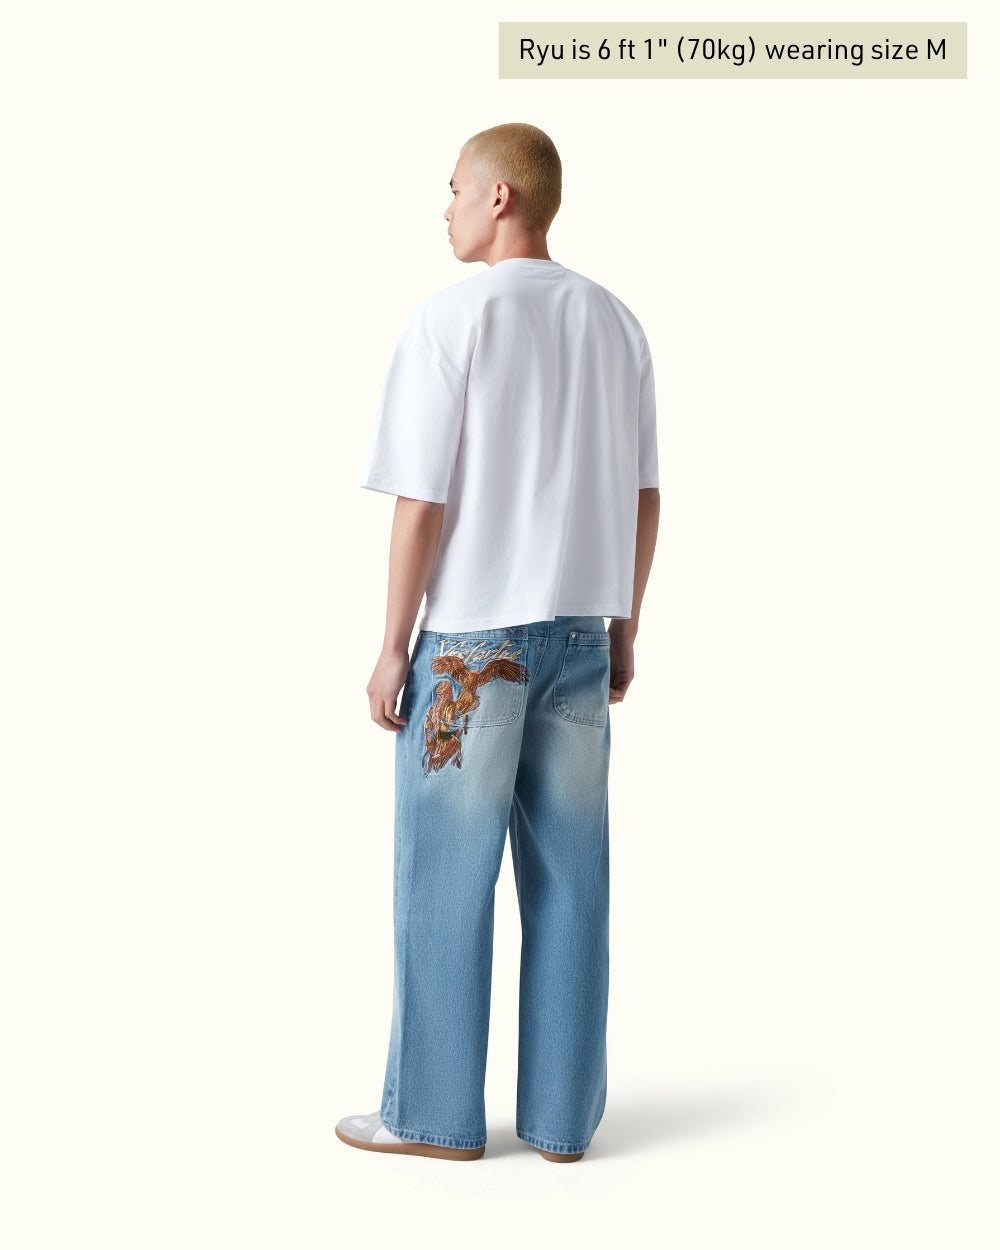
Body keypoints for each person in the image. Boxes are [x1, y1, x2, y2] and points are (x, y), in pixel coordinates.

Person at [337, 122, 659, 1163]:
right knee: (573, 880)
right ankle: (562, 1124)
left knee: (444, 878)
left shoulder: (453, 318)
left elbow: (421, 500)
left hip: (472, 647)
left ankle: (430, 1117)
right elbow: (645, 495)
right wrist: (623, 627)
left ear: (499, 198)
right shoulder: (616, 323)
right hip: (578, 634)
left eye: (453, 190)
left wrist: (393, 643)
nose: (444, 210)